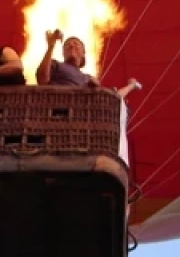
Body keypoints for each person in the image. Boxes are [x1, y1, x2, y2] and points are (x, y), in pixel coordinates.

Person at [36, 29, 141, 166]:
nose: (71, 45)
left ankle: (131, 85)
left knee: (112, 98)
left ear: (83, 53)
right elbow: (42, 79)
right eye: (67, 45)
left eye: (76, 44)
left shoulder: (87, 78)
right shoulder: (56, 65)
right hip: (59, 113)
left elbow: (111, 99)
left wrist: (95, 88)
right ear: (63, 53)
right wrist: (50, 47)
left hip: (82, 122)